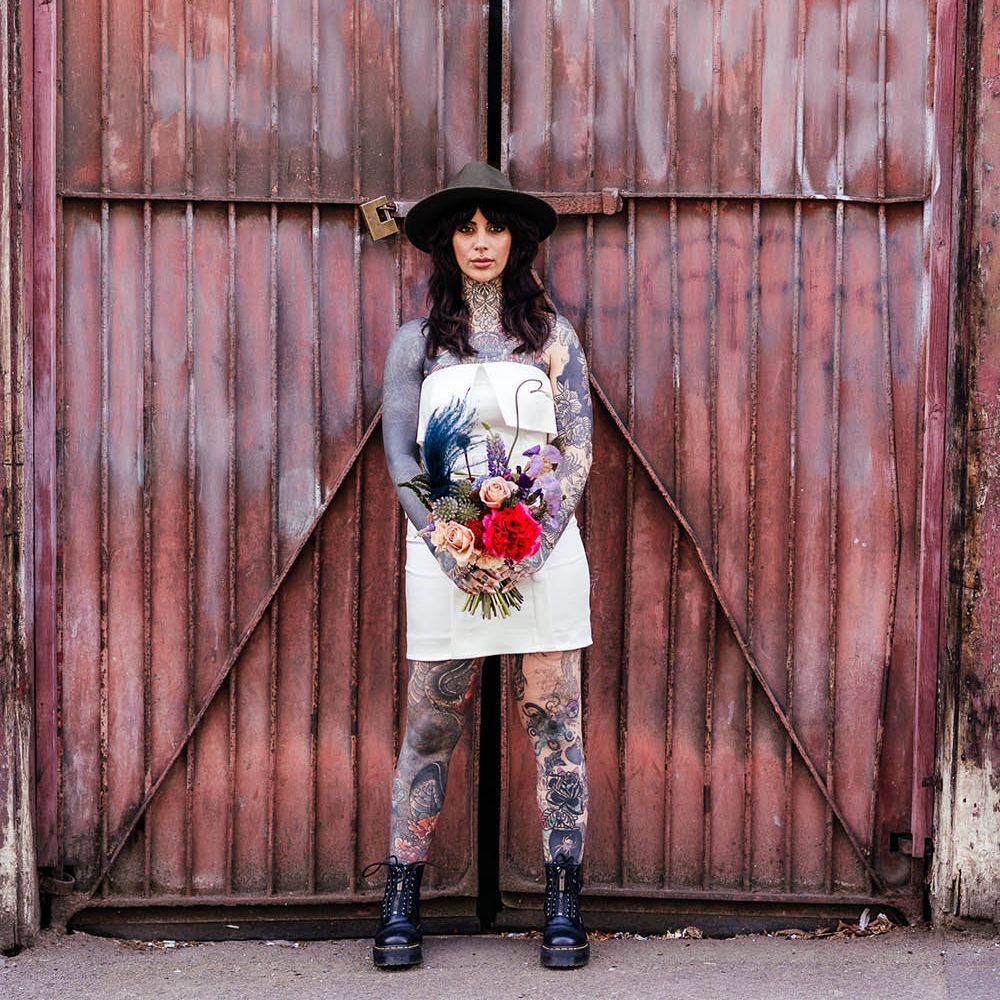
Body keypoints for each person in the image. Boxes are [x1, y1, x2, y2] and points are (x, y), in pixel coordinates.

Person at [372, 161, 593, 970]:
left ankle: (565, 902)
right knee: (431, 725)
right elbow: (401, 455)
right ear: (445, 243)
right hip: (447, 557)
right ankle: (400, 900)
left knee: (554, 727)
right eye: (464, 228)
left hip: (543, 555)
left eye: (493, 226)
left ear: (516, 239)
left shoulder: (553, 340)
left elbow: (577, 451)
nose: (479, 242)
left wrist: (533, 541)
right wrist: (446, 541)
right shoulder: (416, 346)